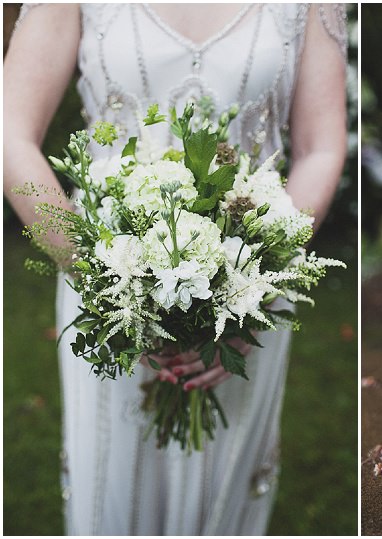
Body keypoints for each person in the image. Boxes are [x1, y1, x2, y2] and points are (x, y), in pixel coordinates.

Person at [4, 3, 347, 535]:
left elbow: (319, 149)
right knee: (111, 496)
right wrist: (104, 286)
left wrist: (254, 289)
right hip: (104, 284)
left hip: (247, 289)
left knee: (221, 495)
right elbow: (10, 133)